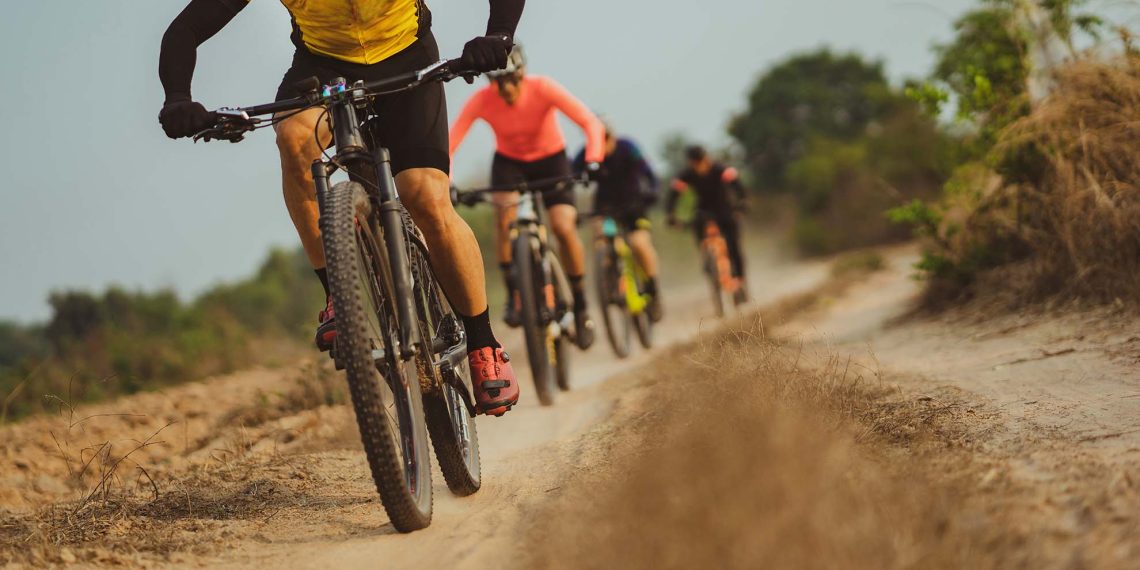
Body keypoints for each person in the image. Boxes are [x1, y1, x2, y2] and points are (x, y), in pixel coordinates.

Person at [155, 0, 524, 417]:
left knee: (424, 194)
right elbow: (185, 30)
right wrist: (177, 97)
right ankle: (338, 296)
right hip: (323, 66)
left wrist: (499, 34)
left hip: (406, 52)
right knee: (294, 141)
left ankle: (483, 343)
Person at [449, 45, 605, 350]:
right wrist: (450, 182)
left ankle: (581, 304)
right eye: (497, 81)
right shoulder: (481, 100)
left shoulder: (543, 87)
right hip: (510, 163)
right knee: (503, 217)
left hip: (551, 159)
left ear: (522, 73)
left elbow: (590, 123)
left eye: (511, 79)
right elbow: (450, 143)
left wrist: (593, 160)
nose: (505, 88)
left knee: (563, 226)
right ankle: (514, 294)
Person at [573, 125, 664, 322]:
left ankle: (653, 289)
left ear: (612, 135)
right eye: (595, 138)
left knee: (639, 244)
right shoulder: (586, 154)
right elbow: (571, 178)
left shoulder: (627, 147)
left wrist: (653, 191)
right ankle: (609, 277)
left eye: (605, 137)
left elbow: (648, 171)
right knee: (600, 238)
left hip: (634, 204)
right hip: (604, 207)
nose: (602, 143)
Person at [665, 145, 749, 303]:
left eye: (700, 161)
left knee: (734, 246)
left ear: (706, 158)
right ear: (690, 163)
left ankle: (740, 281)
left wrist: (742, 202)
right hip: (702, 212)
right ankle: (707, 260)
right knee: (698, 230)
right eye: (695, 162)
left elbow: (736, 184)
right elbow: (673, 194)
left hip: (724, 209)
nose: (699, 165)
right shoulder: (687, 175)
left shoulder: (720, 169)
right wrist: (670, 214)